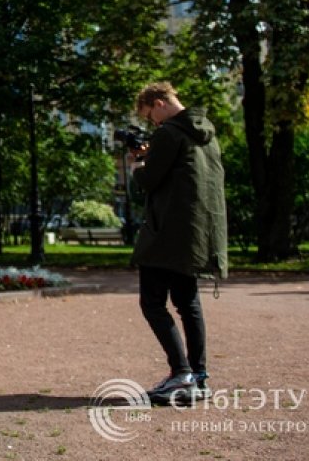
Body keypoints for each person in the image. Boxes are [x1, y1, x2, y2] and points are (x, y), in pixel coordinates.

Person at [129, 82, 227, 405]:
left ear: (159, 103)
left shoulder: (169, 133)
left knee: (152, 302)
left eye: (150, 117)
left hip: (166, 235)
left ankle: (180, 374)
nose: (153, 124)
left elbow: (150, 180)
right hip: (196, 234)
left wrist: (136, 165)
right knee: (188, 304)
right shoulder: (207, 135)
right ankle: (198, 376)